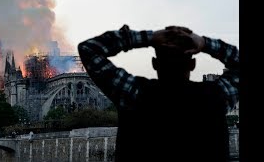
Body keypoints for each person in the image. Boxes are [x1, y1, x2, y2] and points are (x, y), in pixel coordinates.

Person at [78, 25, 239, 162]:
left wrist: (148, 37)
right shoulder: (215, 97)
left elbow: (89, 48)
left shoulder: (133, 93)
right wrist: (204, 43)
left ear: (155, 63)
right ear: (192, 64)